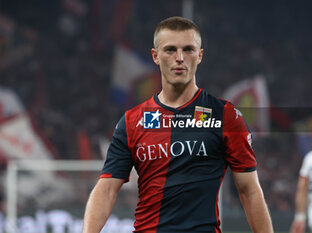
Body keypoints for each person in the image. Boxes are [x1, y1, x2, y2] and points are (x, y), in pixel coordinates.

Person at [82, 16, 273, 233]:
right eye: (170, 49)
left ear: (200, 56)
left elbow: (249, 190)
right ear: (155, 56)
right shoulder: (132, 121)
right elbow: (106, 189)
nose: (179, 58)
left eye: (188, 49)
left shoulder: (226, 116)